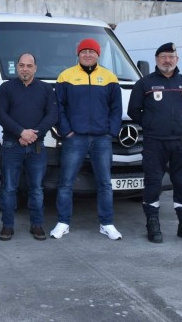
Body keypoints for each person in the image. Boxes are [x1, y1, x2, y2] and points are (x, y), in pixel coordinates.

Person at [128, 42, 182, 244]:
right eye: (163, 57)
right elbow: (133, 111)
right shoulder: (145, 84)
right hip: (155, 142)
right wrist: (152, 124)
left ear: (177, 59)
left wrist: (179, 124)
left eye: (171, 56)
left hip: (181, 142)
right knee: (153, 184)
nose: (167, 60)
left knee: (181, 184)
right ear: (156, 60)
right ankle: (152, 223)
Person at [51, 38, 123, 241]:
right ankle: (63, 222)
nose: (88, 54)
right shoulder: (66, 76)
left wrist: (111, 132)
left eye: (92, 51)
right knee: (66, 182)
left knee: (105, 183)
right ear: (78, 54)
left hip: (102, 139)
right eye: (84, 51)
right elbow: (59, 107)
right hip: (75, 138)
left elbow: (116, 109)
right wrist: (66, 131)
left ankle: (107, 223)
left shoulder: (109, 78)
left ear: (98, 54)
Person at [0, 53, 58, 241]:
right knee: (9, 188)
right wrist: (21, 132)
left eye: (29, 66)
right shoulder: (6, 88)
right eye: (21, 65)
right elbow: (0, 115)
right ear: (16, 67)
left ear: (35, 68)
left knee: (36, 188)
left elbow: (52, 115)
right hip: (11, 145)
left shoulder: (46, 89)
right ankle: (7, 226)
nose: (25, 69)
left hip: (37, 146)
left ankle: (37, 225)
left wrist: (34, 134)